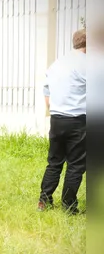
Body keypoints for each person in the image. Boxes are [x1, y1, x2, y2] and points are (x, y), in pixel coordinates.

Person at [37, 29, 86, 215]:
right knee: (75, 165)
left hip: (57, 119)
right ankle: (69, 206)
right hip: (78, 121)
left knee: (54, 162)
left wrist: (55, 109)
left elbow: (47, 92)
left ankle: (44, 200)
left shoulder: (58, 63)